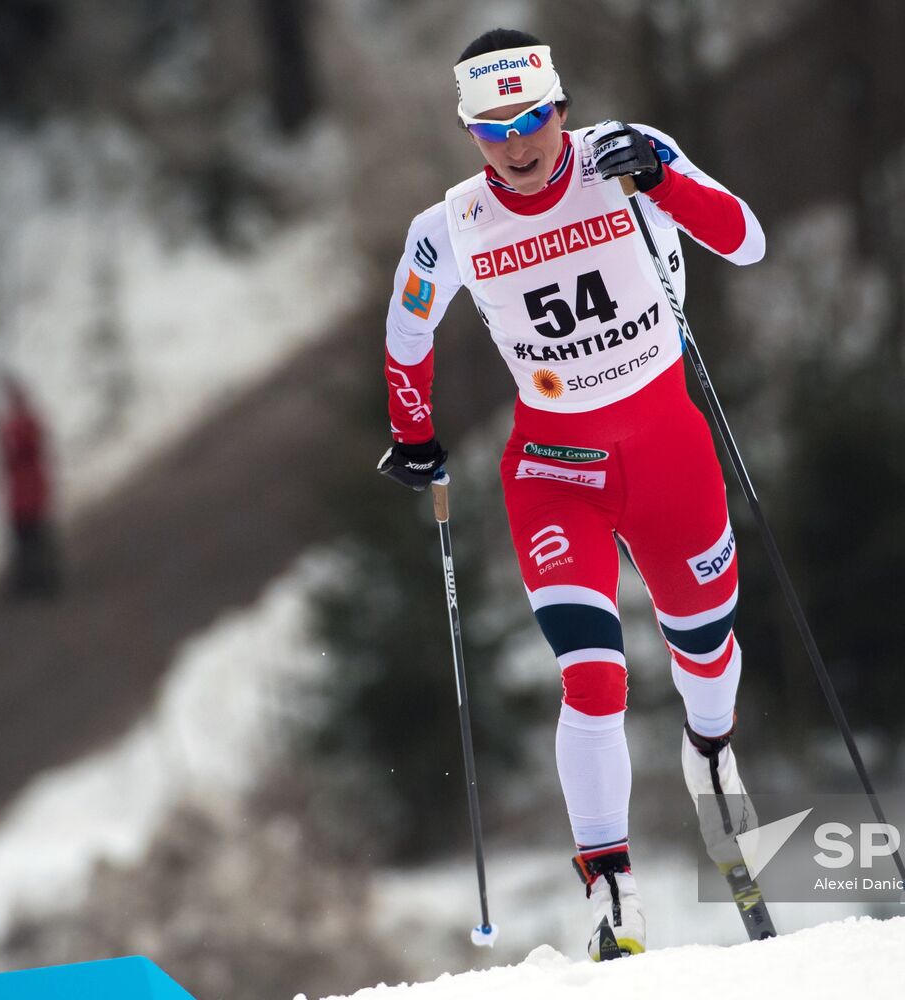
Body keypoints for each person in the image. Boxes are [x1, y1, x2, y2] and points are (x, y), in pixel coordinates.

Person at [377, 27, 765, 959]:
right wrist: (412, 433)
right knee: (591, 676)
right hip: (556, 474)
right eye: (491, 128)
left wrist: (665, 181)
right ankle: (612, 888)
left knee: (705, 648)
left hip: (667, 451)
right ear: (469, 130)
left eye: (532, 118)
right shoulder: (450, 226)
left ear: (561, 106)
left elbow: (744, 241)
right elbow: (406, 325)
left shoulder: (626, 158)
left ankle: (710, 754)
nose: (516, 144)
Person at [0, 376, 59, 599]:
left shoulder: (25, 425)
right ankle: (30, 582)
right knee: (26, 540)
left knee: (35, 539)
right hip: (21, 494)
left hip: (30, 493)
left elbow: (20, 450)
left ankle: (44, 581)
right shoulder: (18, 425)